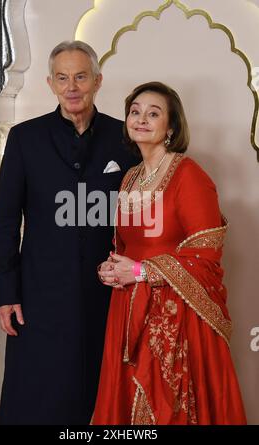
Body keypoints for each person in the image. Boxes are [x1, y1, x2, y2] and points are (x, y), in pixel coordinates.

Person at [0, 41, 138, 425]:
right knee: (38, 398)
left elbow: (141, 215)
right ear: (50, 83)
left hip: (106, 296)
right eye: (62, 78)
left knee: (98, 396)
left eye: (80, 77)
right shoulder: (24, 138)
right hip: (39, 297)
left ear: (97, 81)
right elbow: (5, 221)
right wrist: (6, 295)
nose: (71, 87)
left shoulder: (125, 138)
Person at [93, 81, 247, 425]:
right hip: (128, 305)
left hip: (174, 314)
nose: (141, 119)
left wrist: (142, 271)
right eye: (135, 112)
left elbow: (207, 253)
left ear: (171, 126)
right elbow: (127, 246)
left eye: (153, 113)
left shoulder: (189, 175)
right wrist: (112, 267)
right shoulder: (130, 178)